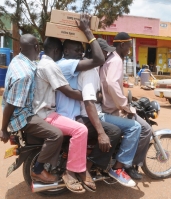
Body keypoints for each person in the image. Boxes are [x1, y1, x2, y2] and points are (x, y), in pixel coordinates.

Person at [76, 38, 141, 187]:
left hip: (90, 112)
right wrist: (101, 131)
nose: (106, 56)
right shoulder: (91, 71)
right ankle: (118, 168)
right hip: (92, 115)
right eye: (105, 52)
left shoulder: (89, 67)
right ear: (97, 52)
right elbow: (89, 102)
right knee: (134, 127)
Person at [0, 34, 63, 184]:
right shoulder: (25, 75)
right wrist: (3, 129)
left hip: (21, 112)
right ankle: (38, 171)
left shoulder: (19, 60)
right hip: (22, 117)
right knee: (56, 135)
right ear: (36, 47)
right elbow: (11, 103)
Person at [55, 14, 105, 191]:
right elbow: (99, 59)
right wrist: (87, 31)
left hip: (72, 115)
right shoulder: (66, 63)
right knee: (110, 130)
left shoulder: (69, 65)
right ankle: (79, 170)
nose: (81, 54)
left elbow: (78, 93)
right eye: (77, 50)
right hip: (67, 117)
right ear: (66, 51)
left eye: (81, 50)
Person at [32, 36, 89, 193]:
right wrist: (92, 96)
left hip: (45, 111)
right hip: (46, 114)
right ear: (57, 51)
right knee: (81, 130)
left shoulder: (43, 63)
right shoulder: (50, 66)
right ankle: (71, 172)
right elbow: (68, 91)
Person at [99, 32, 153, 180]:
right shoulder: (116, 60)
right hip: (113, 109)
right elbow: (111, 83)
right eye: (129, 46)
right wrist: (124, 105)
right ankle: (128, 164)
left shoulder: (109, 58)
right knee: (145, 129)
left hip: (107, 106)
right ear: (122, 45)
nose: (129, 50)